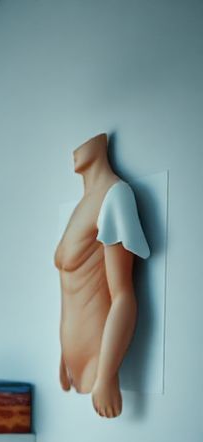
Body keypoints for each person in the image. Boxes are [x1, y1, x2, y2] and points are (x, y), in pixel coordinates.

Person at [53, 132, 149, 419]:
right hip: (75, 361)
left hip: (99, 360)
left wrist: (107, 375)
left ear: (100, 145)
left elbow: (122, 295)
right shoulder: (82, 205)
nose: (74, 150)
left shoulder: (115, 195)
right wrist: (63, 353)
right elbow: (72, 291)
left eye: (82, 144)